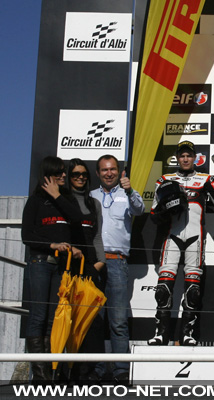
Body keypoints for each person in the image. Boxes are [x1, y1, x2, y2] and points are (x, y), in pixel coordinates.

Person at [148, 140, 214, 346]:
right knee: (163, 289)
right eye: (182, 155)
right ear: (177, 157)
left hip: (196, 238)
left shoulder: (205, 179)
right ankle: (161, 334)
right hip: (171, 238)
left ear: (195, 158)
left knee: (193, 291)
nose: (185, 159)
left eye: (189, 155)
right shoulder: (165, 179)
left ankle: (188, 334)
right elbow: (153, 215)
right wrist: (168, 207)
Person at [21, 156, 83, 383]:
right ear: (48, 175)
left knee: (53, 319)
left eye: (64, 172)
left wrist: (57, 195)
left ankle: (51, 372)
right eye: (59, 173)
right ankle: (39, 375)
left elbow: (77, 218)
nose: (65, 176)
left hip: (60, 267)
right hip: (40, 262)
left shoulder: (66, 198)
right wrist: (52, 245)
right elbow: (26, 237)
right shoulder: (35, 201)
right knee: (38, 316)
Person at [90, 154, 145, 384]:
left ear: (118, 171)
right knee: (95, 319)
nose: (109, 173)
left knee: (119, 320)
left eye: (112, 169)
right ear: (98, 173)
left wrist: (130, 190)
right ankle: (97, 369)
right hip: (93, 263)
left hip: (117, 261)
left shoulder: (127, 193)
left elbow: (140, 210)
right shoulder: (90, 196)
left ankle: (122, 369)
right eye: (104, 170)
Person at [66, 158, 106, 382]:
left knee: (90, 321)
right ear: (69, 177)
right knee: (68, 319)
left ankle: (88, 372)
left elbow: (98, 236)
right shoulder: (62, 201)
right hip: (68, 267)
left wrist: (99, 263)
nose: (80, 178)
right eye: (75, 175)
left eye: (83, 175)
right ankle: (67, 371)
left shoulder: (94, 203)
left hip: (91, 267)